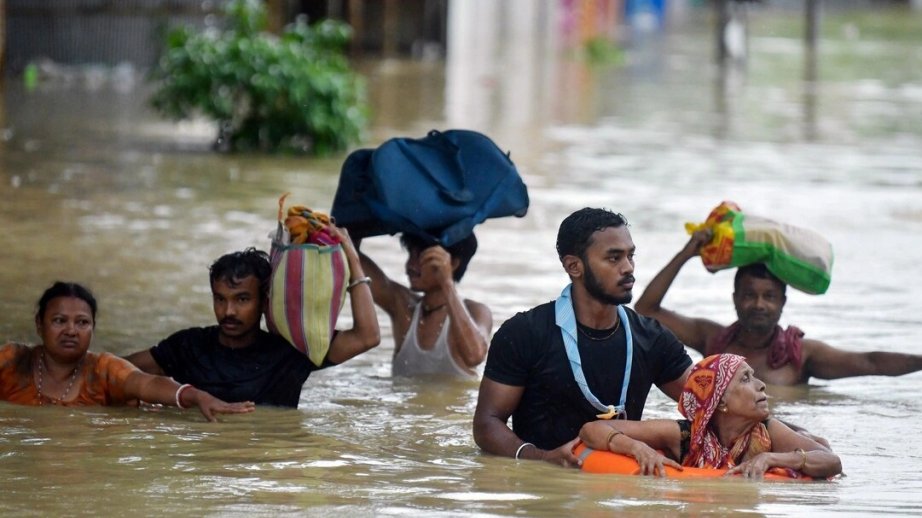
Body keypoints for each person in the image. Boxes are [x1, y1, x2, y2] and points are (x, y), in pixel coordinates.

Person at [472, 208, 693, 468]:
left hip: (620, 491)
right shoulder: (524, 333)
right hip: (546, 490)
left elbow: (713, 403)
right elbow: (487, 424)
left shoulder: (653, 338)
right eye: (614, 258)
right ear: (574, 266)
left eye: (630, 256)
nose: (628, 268)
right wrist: (541, 459)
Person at [125, 225, 380, 407]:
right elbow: (113, 370)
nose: (228, 312)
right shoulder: (189, 346)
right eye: (220, 298)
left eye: (242, 299)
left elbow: (367, 337)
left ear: (265, 300)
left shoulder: (290, 352)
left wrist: (353, 262)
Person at [635, 230, 922, 385]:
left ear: (783, 302)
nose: (759, 304)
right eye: (749, 295)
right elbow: (647, 310)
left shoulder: (802, 355)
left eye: (769, 296)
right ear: (734, 298)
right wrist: (686, 255)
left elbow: (870, 362)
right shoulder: (712, 339)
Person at [0, 281, 255, 422]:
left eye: (82, 322)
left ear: (93, 328)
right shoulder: (12, 362)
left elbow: (147, 383)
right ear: (39, 325)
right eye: (59, 321)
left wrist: (197, 396)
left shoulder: (103, 369)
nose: (71, 330)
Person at [579, 353, 842, 480]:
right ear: (721, 402)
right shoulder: (685, 435)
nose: (761, 385)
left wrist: (770, 457)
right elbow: (591, 430)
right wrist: (637, 448)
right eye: (746, 379)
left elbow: (831, 461)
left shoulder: (767, 431)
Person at [355, 232, 491, 377]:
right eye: (410, 255)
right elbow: (354, 260)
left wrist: (447, 282)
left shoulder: (476, 311)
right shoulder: (404, 307)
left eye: (421, 257)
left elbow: (474, 356)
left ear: (452, 264)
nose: (410, 266)